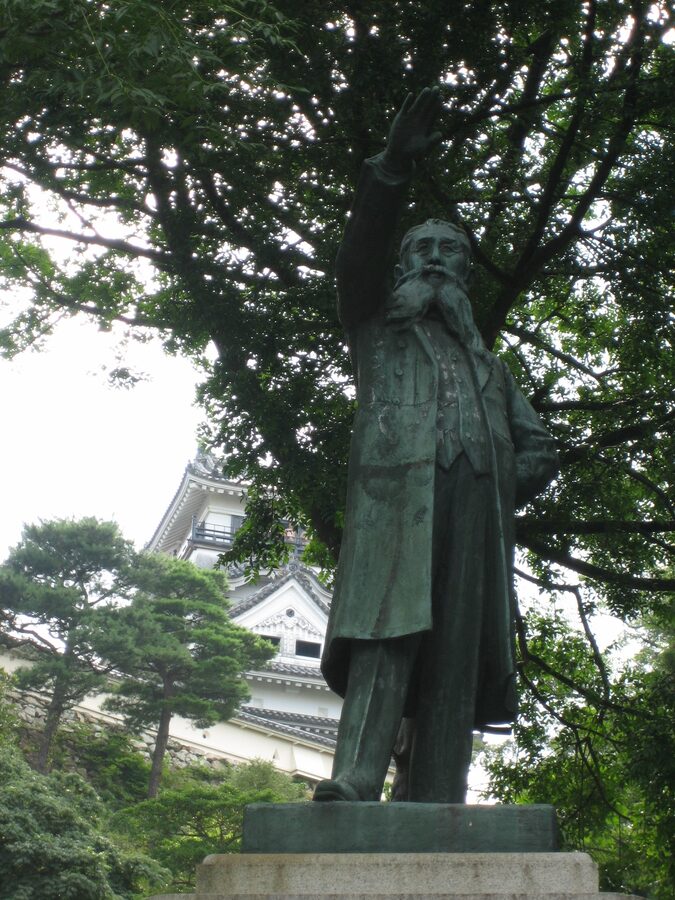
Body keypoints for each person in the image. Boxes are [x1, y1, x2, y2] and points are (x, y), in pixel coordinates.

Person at [313, 88, 559, 804]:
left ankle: (438, 790)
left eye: (450, 252)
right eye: (421, 251)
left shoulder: (491, 367)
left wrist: (497, 490)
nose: (436, 260)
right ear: (401, 269)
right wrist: (390, 166)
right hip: (399, 504)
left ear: (466, 274)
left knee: (457, 651)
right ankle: (357, 775)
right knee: (388, 636)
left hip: (475, 509)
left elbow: (539, 449)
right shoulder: (374, 328)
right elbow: (353, 261)